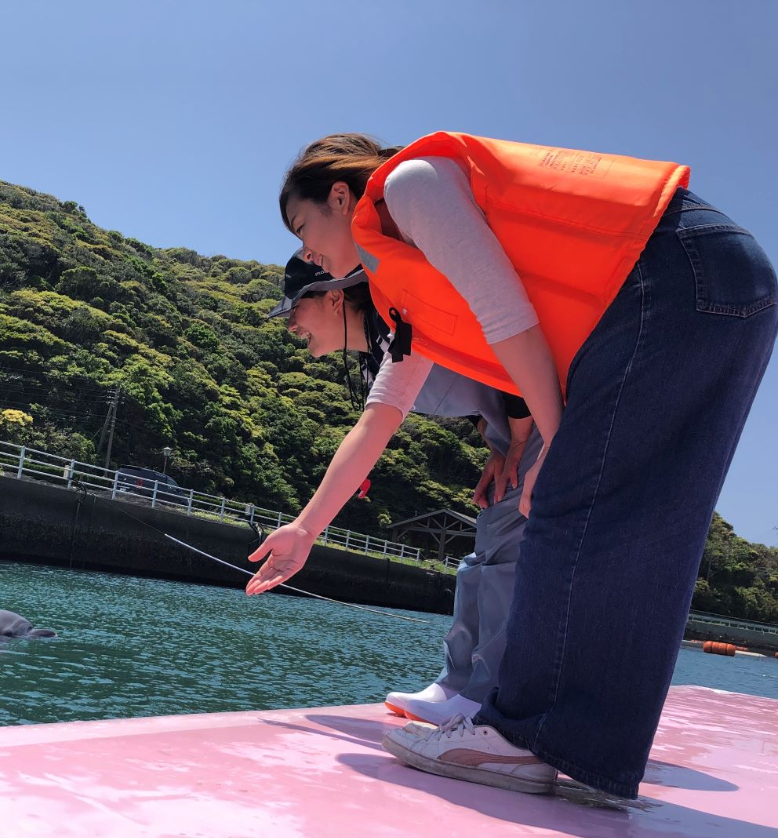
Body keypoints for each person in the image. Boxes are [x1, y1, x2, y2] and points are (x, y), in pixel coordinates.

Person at [249, 132, 777, 798]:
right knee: (645, 528)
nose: (304, 251)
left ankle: (521, 739)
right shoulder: (403, 284)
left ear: (339, 195)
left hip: (669, 271)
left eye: (301, 227)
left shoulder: (411, 188)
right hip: (730, 279)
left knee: (570, 507)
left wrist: (556, 443)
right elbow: (380, 415)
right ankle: (592, 751)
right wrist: (305, 529)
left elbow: (508, 319)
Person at [263, 254, 540, 726]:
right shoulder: (374, 354)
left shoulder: (399, 324)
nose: (290, 325)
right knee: (482, 558)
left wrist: (516, 440)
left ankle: (486, 696)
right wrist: (496, 441)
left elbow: (511, 355)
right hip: (513, 433)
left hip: (545, 422)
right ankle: (458, 683)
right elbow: (472, 397)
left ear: (334, 298)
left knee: (504, 559)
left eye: (296, 308)